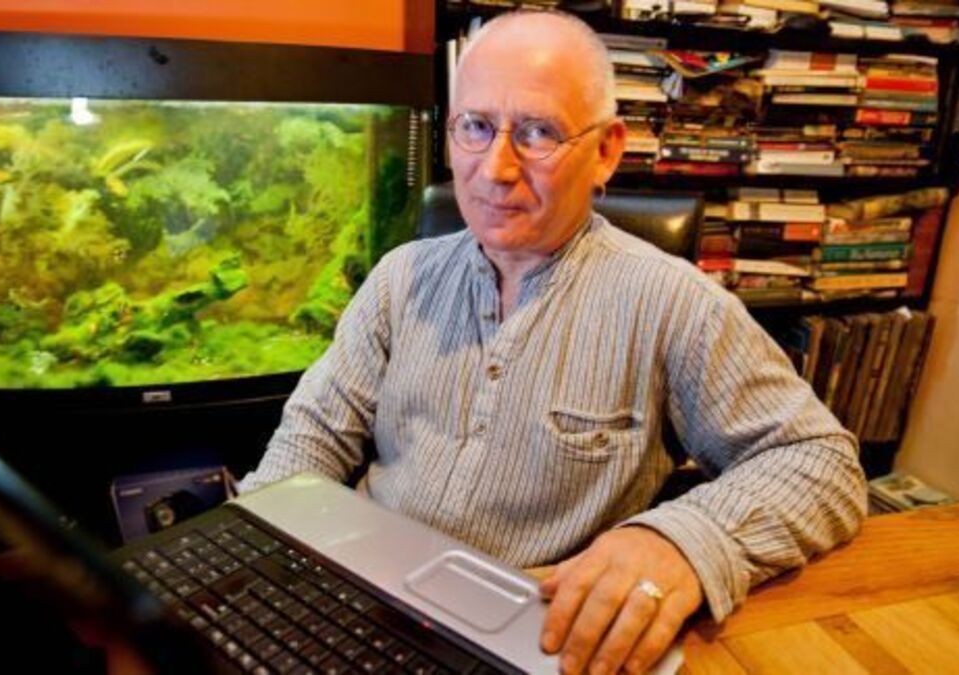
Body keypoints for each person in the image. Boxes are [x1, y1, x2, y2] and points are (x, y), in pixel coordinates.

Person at [239, 10, 866, 675]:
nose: (495, 169)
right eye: (475, 126)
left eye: (537, 132)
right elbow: (315, 433)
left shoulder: (673, 304)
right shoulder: (400, 279)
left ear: (606, 151)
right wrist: (248, 553)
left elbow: (820, 462)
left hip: (528, 633)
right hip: (361, 599)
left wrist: (683, 541)